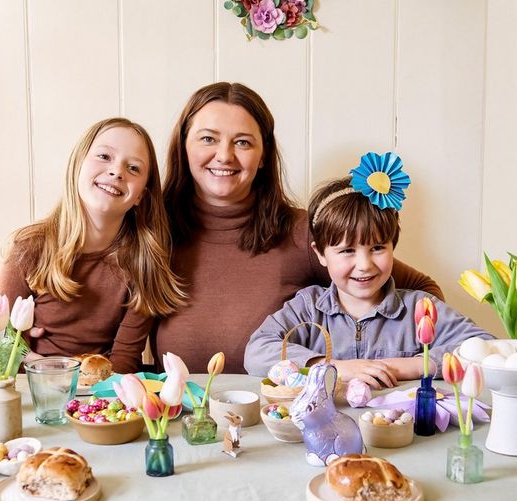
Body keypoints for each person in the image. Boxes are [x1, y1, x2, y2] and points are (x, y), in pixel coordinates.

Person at [154, 82, 444, 374]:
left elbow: (421, 291)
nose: (225, 155)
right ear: (183, 145)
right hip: (177, 415)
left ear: (264, 155)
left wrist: (373, 367)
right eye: (208, 139)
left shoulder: (303, 232)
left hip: (281, 415)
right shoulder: (155, 232)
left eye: (242, 142)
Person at [244, 165, 492, 388]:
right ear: (320, 254)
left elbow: (488, 350)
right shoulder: (308, 307)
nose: (364, 265)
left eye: (377, 248)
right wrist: (332, 366)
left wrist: (414, 366)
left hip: (402, 433)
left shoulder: (420, 308)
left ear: (393, 245)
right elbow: (257, 352)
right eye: (347, 251)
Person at [0, 118, 185, 373]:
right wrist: (35, 362)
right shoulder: (30, 249)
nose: (117, 172)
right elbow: (0, 340)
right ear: (77, 165)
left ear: (141, 194)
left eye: (133, 168)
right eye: (104, 156)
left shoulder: (143, 264)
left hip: (103, 396)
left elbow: (125, 358)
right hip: (32, 393)